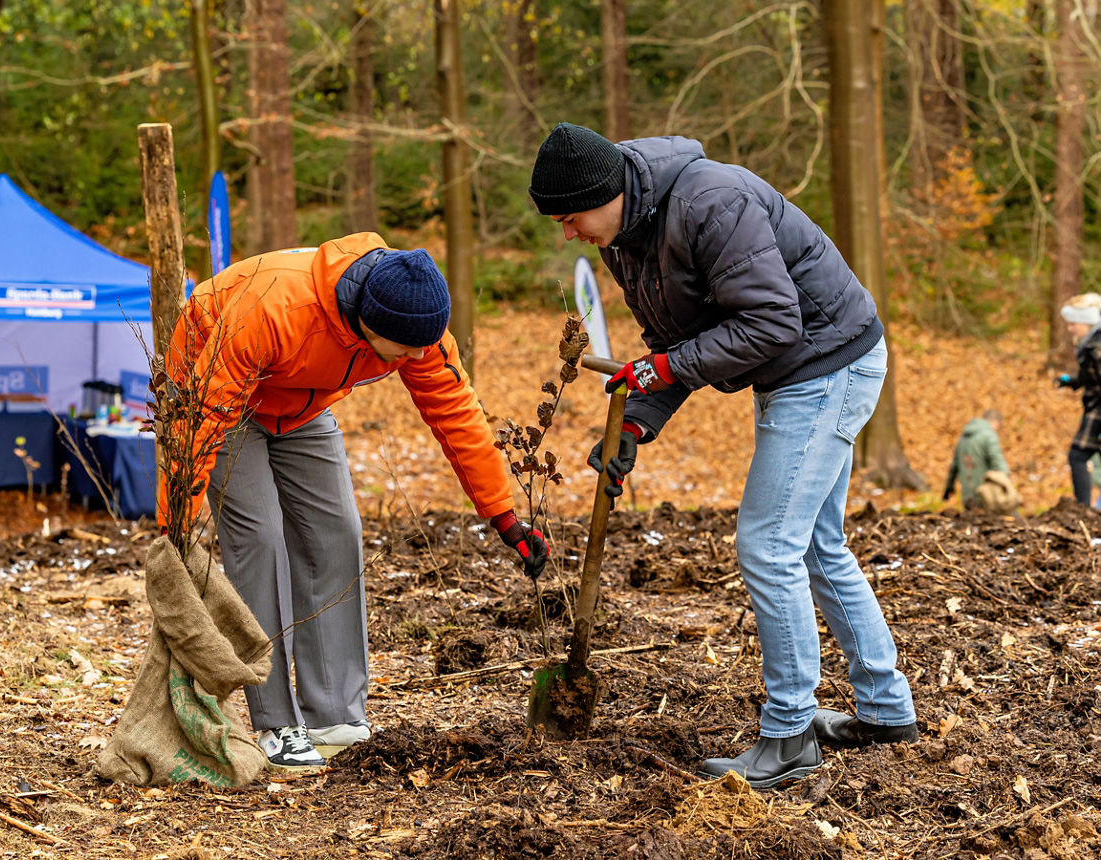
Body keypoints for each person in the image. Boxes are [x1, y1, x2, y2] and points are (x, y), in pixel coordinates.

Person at [529, 123, 916, 789]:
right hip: (796, 371)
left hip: (826, 365)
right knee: (816, 545)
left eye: (570, 218)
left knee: (769, 545)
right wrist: (637, 423)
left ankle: (790, 735)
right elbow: (674, 341)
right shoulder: (626, 238)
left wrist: (659, 370)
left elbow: (771, 322)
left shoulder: (711, 203)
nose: (568, 234)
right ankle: (885, 712)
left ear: (606, 193)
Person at [160, 233, 549, 770]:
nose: (418, 358)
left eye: (424, 347)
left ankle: (335, 714)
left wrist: (504, 518)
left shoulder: (416, 325)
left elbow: (457, 414)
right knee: (261, 539)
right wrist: (175, 526)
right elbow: (203, 418)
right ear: (368, 323)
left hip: (303, 403)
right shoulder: (274, 310)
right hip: (219, 394)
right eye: (405, 350)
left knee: (337, 532)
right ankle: (275, 720)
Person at [1056, 292, 1101, 505]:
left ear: (1087, 321)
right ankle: (1086, 511)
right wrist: (1071, 381)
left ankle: (1084, 510)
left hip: (1098, 410)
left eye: (1073, 323)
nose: (1069, 328)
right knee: (1078, 456)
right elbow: (1092, 377)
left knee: (1077, 455)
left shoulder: (1096, 346)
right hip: (1095, 407)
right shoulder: (1090, 343)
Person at [942, 409, 1011, 509]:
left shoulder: (962, 438)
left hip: (967, 497)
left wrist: (949, 488)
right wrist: (1007, 483)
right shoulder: (989, 436)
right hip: (986, 495)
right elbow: (998, 462)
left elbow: (953, 467)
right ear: (996, 422)